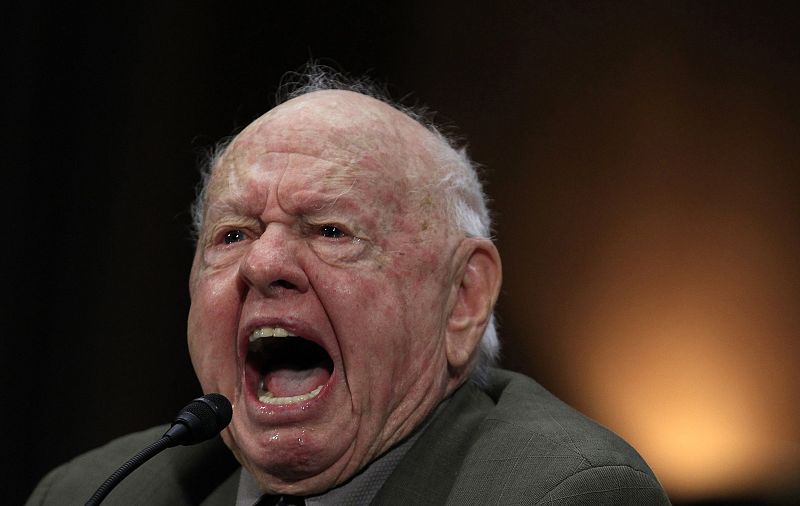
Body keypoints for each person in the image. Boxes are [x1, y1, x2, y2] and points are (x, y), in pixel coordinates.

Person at [27, 68, 671, 505]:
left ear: (463, 299)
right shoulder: (94, 492)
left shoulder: (558, 493)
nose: (264, 263)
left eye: (330, 230)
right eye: (232, 235)